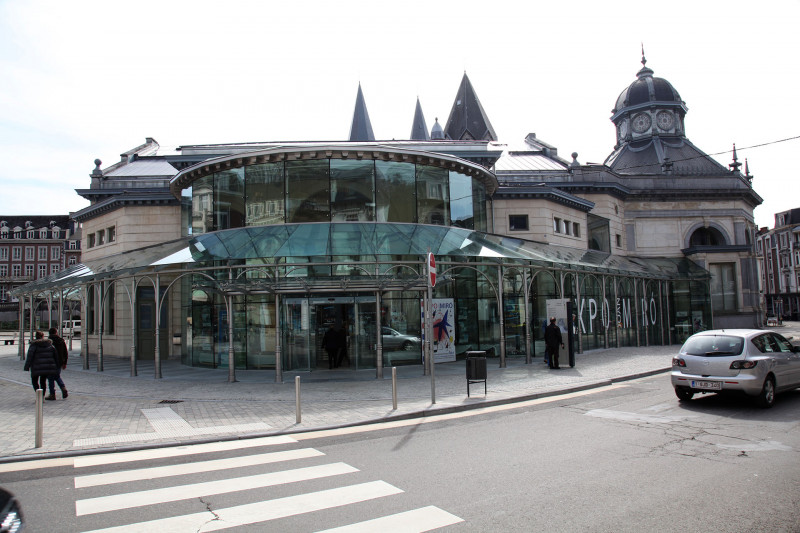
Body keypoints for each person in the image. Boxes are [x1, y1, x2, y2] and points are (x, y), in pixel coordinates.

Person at [23, 331, 59, 400]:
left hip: (36, 367)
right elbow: (55, 356)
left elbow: (30, 356)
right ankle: (42, 395)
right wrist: (56, 366)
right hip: (46, 367)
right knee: (43, 381)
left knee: (34, 381)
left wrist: (27, 367)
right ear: (43, 336)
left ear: (35, 336)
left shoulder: (34, 345)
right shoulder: (49, 345)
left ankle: (38, 394)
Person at [48, 327, 69, 399]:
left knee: (51, 378)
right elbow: (65, 353)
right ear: (56, 332)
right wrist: (64, 362)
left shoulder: (49, 341)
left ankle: (52, 394)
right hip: (59, 362)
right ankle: (63, 388)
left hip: (50, 362)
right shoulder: (61, 341)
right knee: (56, 376)